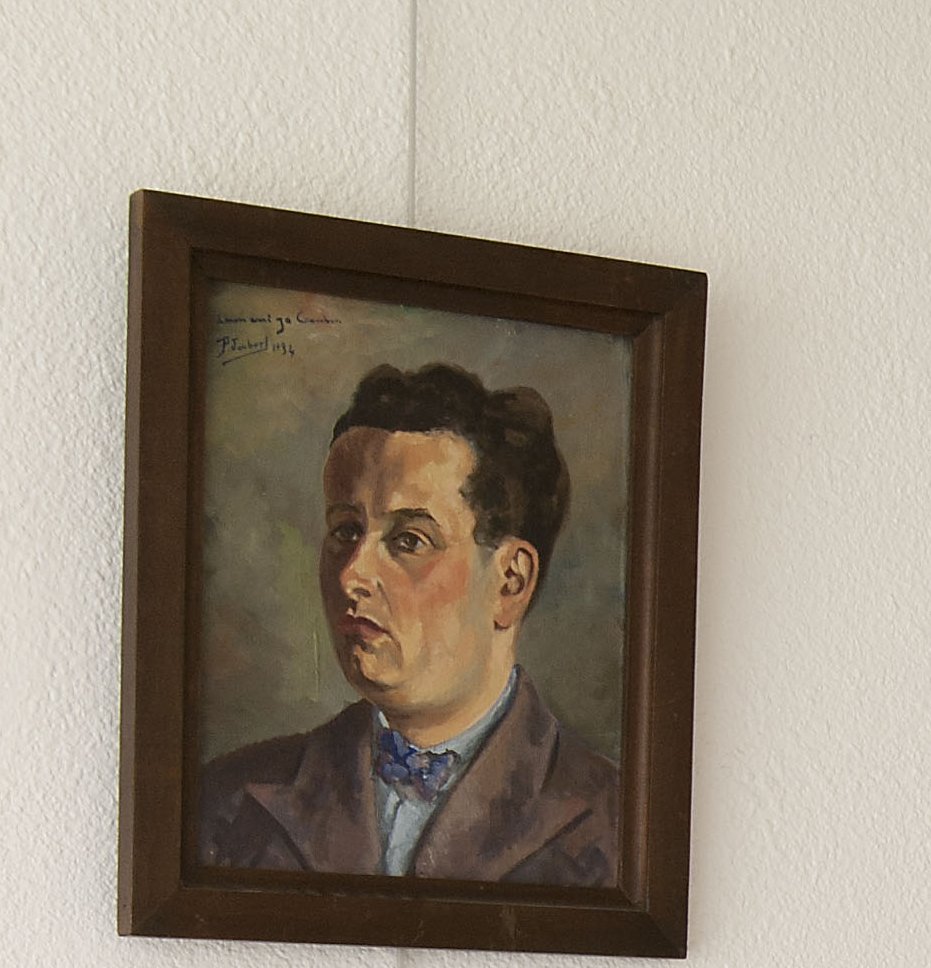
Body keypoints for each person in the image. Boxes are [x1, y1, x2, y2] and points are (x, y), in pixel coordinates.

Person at [194, 361, 619, 887]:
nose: (352, 575)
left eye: (409, 540)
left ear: (510, 582)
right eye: (345, 531)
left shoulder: (613, 824)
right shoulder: (228, 799)